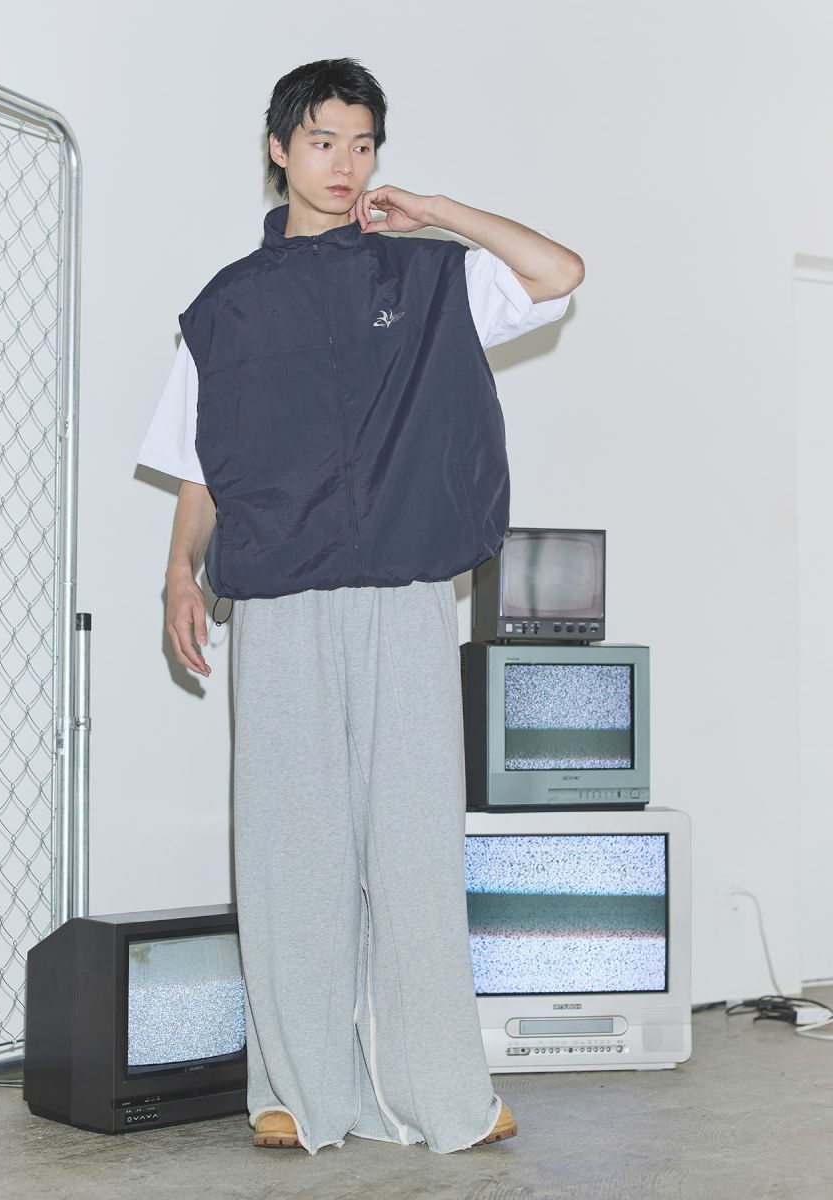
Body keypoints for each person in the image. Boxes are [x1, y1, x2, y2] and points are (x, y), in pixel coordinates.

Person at [137, 58, 583, 1156]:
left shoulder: (427, 276)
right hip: (281, 600)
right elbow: (202, 462)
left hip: (405, 592)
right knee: (289, 851)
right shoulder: (227, 307)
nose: (344, 163)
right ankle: (297, 1091)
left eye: (363, 143)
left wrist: (437, 213)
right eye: (323, 140)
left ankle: (441, 1090)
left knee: (415, 848)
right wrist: (179, 570)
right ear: (280, 147)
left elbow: (559, 270)